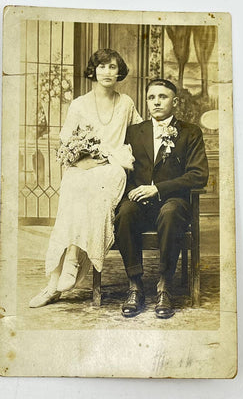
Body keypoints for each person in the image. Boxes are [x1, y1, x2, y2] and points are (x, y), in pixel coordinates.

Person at [29, 49, 142, 308]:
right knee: (73, 183)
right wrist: (81, 160)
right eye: (102, 66)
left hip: (113, 167)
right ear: (93, 71)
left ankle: (71, 260)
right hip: (86, 165)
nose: (107, 72)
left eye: (113, 67)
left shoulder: (126, 103)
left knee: (99, 183)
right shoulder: (79, 104)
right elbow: (66, 140)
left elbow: (140, 132)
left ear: (119, 72)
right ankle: (55, 280)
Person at [114, 79, 209, 319]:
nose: (156, 102)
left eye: (163, 97)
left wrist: (158, 189)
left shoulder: (190, 132)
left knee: (169, 213)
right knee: (125, 212)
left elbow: (198, 175)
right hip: (141, 204)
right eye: (151, 97)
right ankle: (135, 285)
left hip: (174, 203)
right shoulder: (134, 132)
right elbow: (124, 170)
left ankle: (164, 286)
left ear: (174, 102)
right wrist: (136, 191)